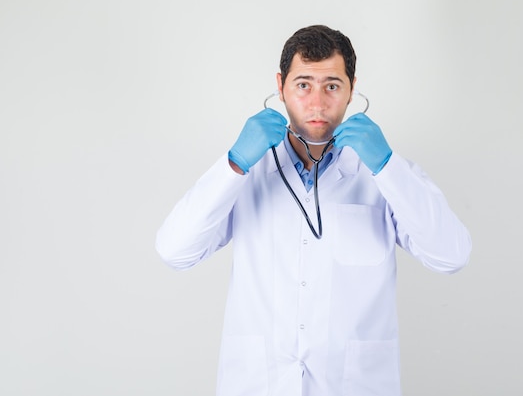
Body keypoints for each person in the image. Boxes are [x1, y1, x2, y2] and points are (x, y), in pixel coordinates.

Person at [156, 24, 471, 396]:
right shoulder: (247, 172)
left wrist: (387, 167)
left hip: (354, 386)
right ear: (281, 86)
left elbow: (451, 256)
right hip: (260, 383)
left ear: (352, 88)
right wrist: (235, 164)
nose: (318, 103)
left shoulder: (385, 176)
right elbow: (175, 251)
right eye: (303, 84)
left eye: (332, 86)